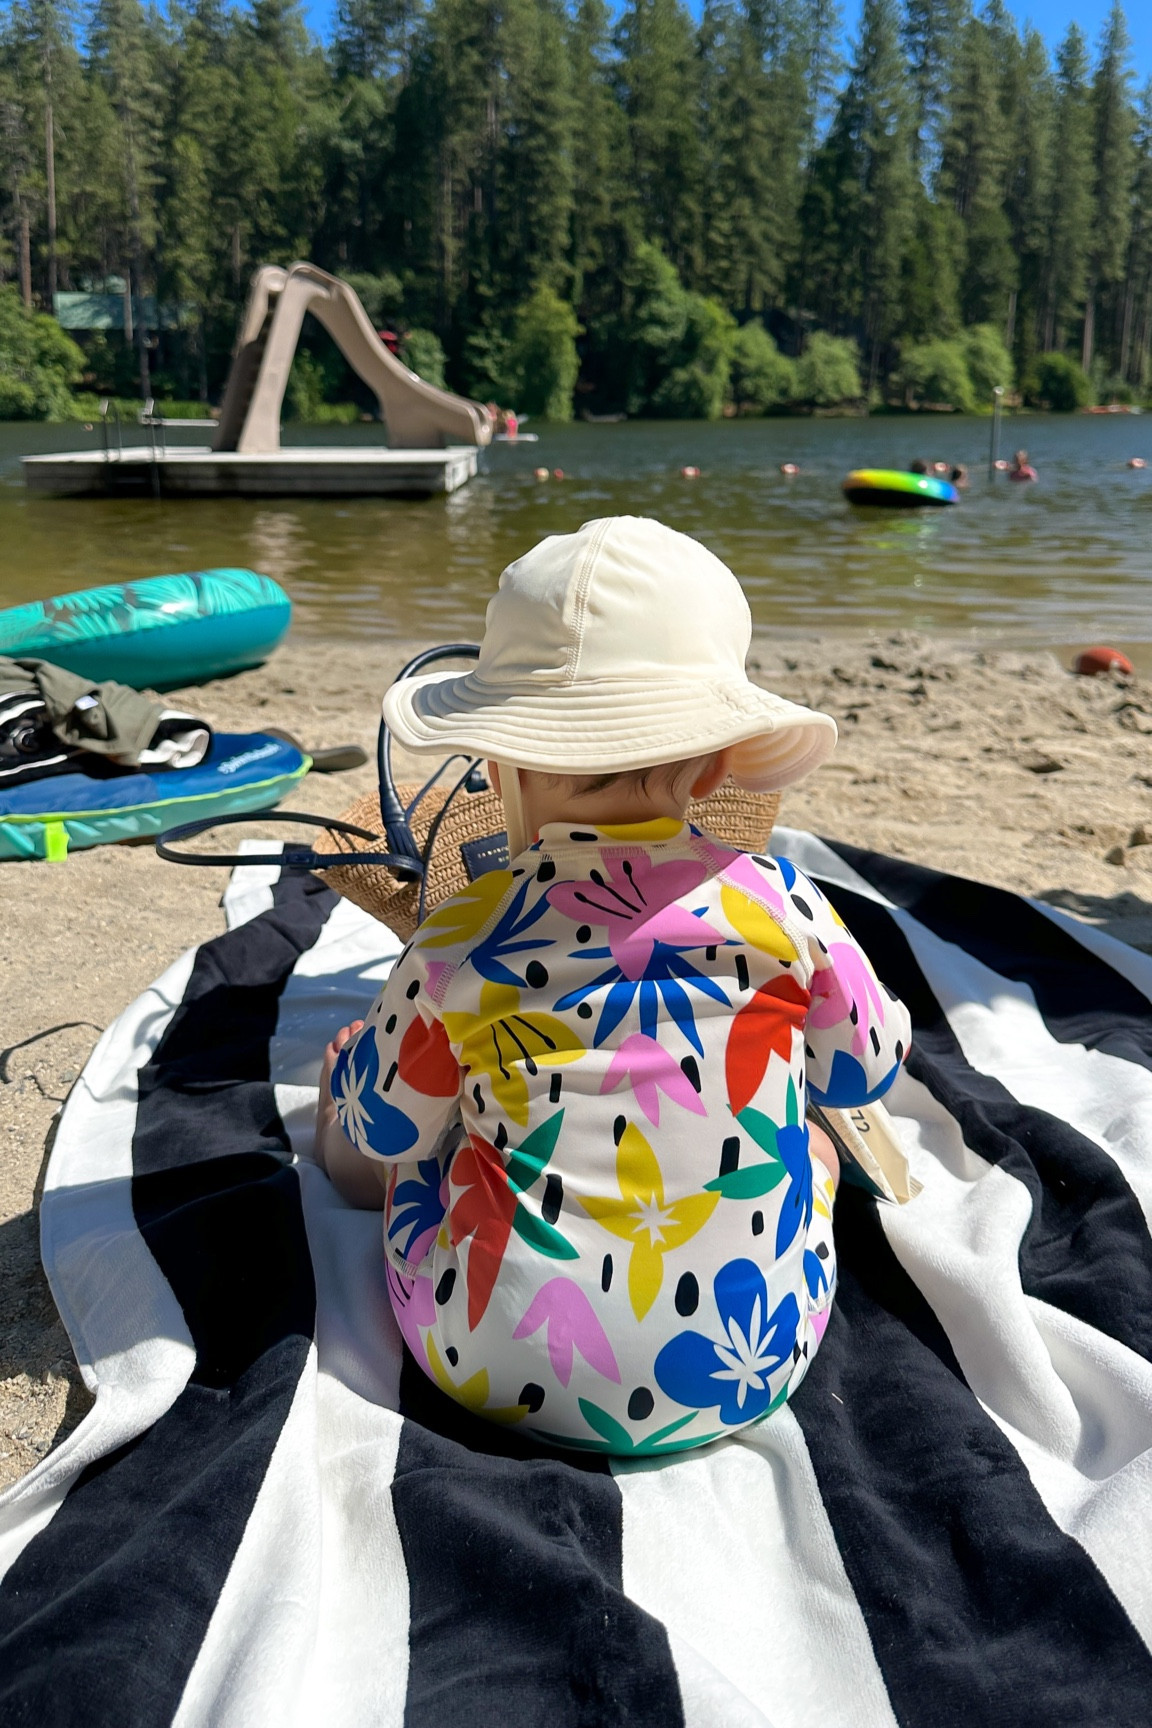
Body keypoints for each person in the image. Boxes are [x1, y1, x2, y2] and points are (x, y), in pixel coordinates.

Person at [314, 517, 912, 1454]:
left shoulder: (458, 938)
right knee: (820, 1151)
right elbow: (866, 1072)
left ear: (498, 761)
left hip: (485, 1363)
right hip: (754, 1365)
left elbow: (382, 1128)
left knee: (406, 1135)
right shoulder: (787, 906)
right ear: (720, 766)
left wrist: (356, 1095)